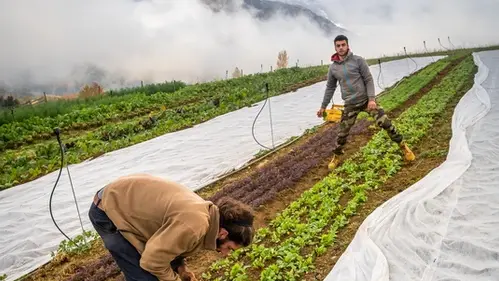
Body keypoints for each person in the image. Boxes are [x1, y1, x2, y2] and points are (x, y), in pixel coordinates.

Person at [88, 173, 255, 281]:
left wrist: (181, 269)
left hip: (124, 203)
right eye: (229, 248)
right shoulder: (194, 225)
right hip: (109, 210)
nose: (225, 254)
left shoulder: (206, 218)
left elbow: (170, 241)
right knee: (144, 277)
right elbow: (152, 261)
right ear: (223, 233)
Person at [317, 34, 415, 170]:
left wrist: (372, 99)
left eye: (343, 45)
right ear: (335, 47)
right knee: (342, 133)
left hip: (366, 101)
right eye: (338, 46)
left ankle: (403, 146)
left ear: (347, 45)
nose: (341, 48)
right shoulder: (333, 68)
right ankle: (337, 157)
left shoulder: (358, 61)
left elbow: (368, 79)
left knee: (385, 123)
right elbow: (330, 87)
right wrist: (323, 106)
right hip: (350, 104)